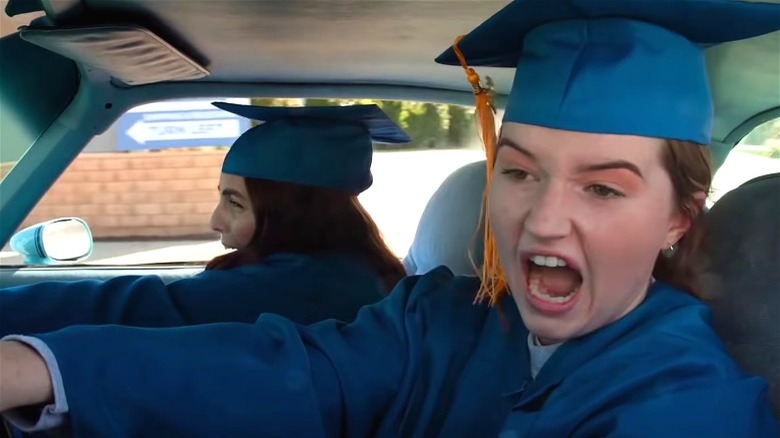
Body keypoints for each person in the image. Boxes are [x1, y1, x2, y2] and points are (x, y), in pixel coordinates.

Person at [1, 0, 779, 436]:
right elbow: (296, 373)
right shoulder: (442, 318)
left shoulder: (687, 406)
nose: (543, 220)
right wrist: (40, 366)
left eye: (603, 189)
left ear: (679, 218)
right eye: (518, 172)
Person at [0, 102, 409, 336]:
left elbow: (134, 308)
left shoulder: (300, 287)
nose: (215, 220)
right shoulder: (357, 272)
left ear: (291, 215)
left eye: (235, 203)